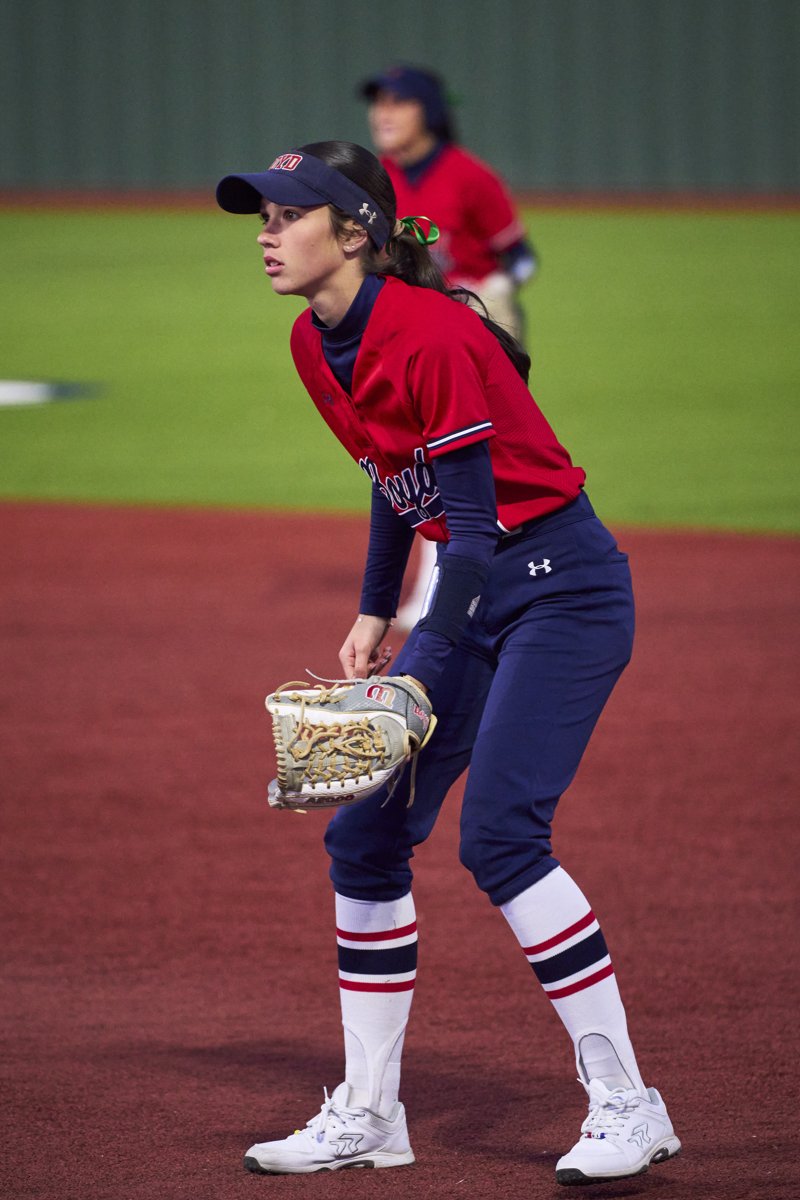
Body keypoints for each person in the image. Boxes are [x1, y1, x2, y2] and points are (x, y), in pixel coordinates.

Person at [216, 141, 681, 1186]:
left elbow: (469, 530)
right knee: (365, 840)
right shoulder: (312, 341)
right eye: (260, 216)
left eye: (287, 215)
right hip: (477, 590)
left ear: (354, 233)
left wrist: (421, 660)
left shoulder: (425, 333)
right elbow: (394, 478)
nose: (265, 233)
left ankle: (627, 1104)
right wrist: (376, 611)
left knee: (502, 834)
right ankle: (371, 1116)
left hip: (559, 589)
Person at [359, 66, 538, 630]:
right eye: (378, 103)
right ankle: (449, 583)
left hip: (471, 333)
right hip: (405, 338)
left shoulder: (470, 177)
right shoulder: (374, 181)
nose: (383, 113)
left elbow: (521, 254)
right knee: (417, 461)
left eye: (399, 103)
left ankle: (467, 582)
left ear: (429, 112)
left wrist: (504, 287)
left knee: (465, 461)